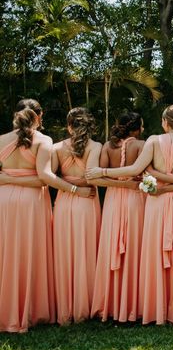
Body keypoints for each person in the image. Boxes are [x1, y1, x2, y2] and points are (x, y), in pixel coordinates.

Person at [86, 104, 173, 325]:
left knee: (154, 253)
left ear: (165, 121)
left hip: (155, 201)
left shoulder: (153, 141)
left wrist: (103, 172)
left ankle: (152, 306)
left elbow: (139, 170)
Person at [0, 99, 82, 332]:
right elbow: (44, 177)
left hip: (3, 199)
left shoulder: (1, 140)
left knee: (5, 253)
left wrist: (7, 179)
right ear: (40, 115)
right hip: (31, 202)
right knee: (30, 251)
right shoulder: (43, 141)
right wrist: (75, 189)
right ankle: (32, 311)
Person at [91, 112, 147, 322]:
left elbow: (101, 177)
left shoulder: (107, 146)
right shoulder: (141, 146)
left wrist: (116, 180)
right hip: (135, 198)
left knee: (111, 245)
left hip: (113, 201)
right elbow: (143, 172)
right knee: (135, 247)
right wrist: (128, 183)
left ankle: (112, 303)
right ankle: (134, 304)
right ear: (137, 128)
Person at [51, 107, 102, 324]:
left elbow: (51, 177)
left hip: (63, 202)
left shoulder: (56, 147)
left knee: (65, 252)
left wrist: (67, 184)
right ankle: (85, 307)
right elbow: (90, 178)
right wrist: (78, 184)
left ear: (69, 125)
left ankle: (65, 310)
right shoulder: (95, 146)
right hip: (87, 202)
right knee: (86, 251)